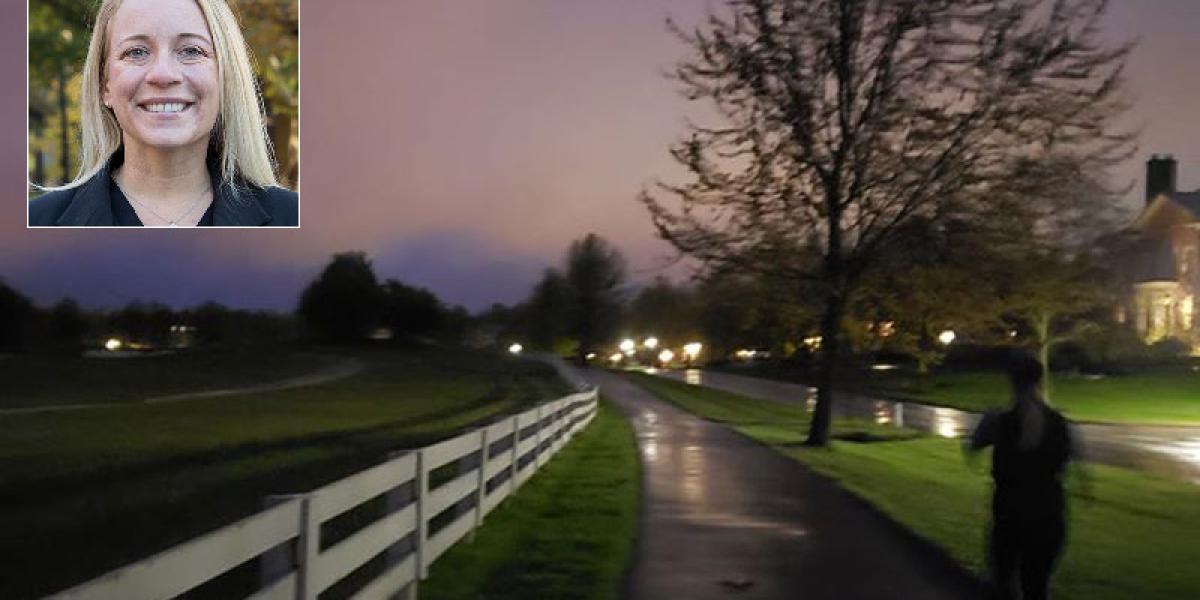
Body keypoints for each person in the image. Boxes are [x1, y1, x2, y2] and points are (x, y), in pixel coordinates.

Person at [29, 0, 297, 227]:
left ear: (225, 78)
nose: (163, 74)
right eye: (136, 52)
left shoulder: (295, 221)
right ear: (104, 85)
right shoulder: (36, 225)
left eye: (192, 51)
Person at [966, 351, 1082, 600]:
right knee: (1036, 585)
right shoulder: (1059, 422)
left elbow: (972, 449)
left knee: (1004, 580)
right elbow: (1072, 463)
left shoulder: (999, 420)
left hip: (1012, 513)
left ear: (1012, 382)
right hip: (1049, 512)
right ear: (1040, 381)